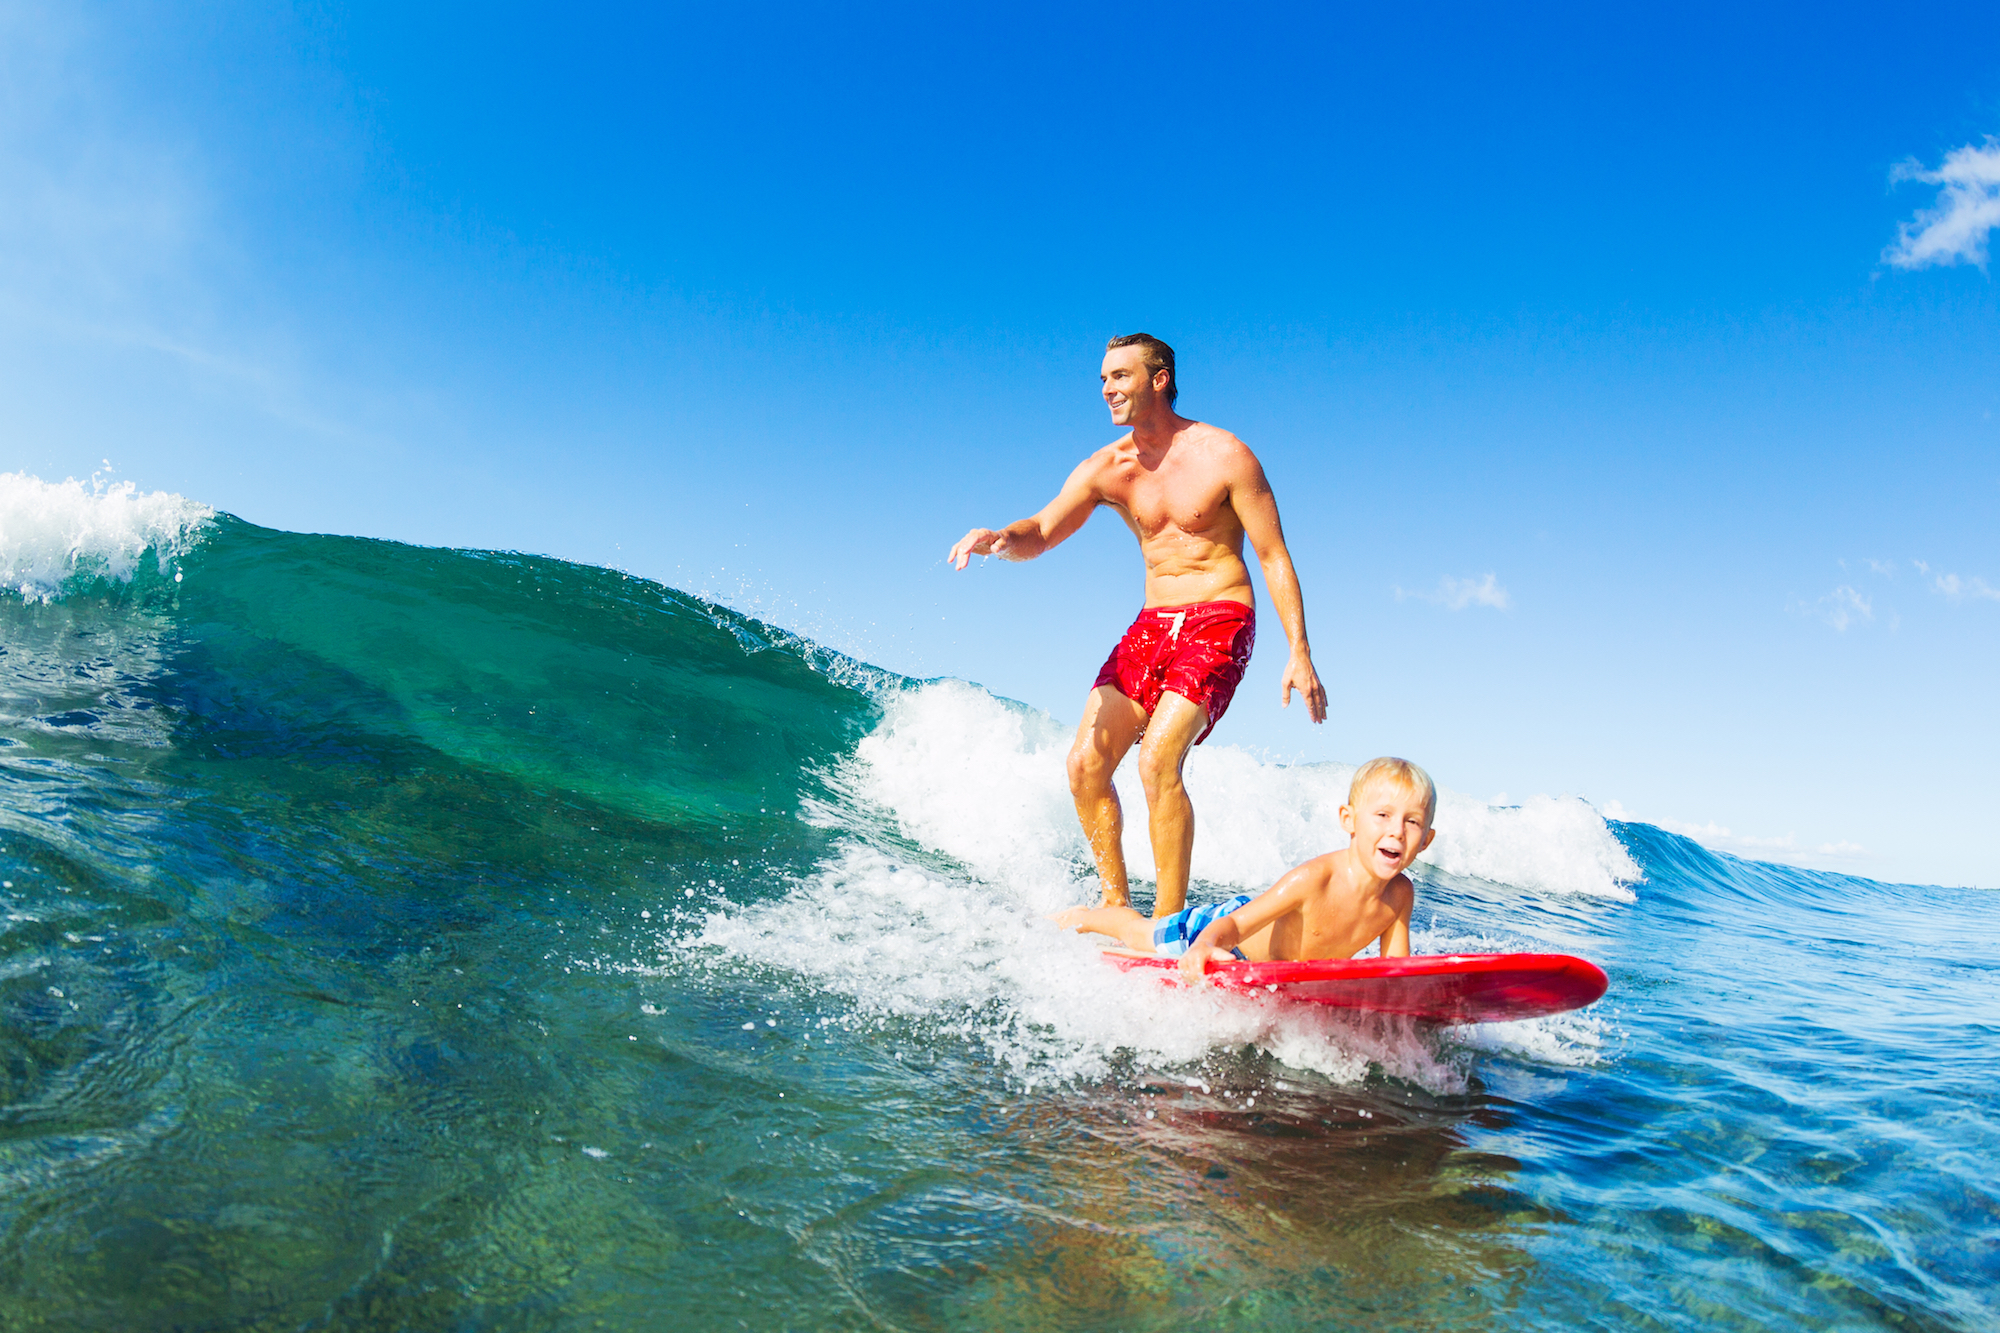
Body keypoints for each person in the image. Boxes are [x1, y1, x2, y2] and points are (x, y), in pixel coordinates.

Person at [948, 333, 1327, 919]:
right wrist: (1001, 539)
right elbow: (1043, 530)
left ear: (1159, 379)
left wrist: (1298, 650)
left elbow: (1274, 554)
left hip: (1220, 616)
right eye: (1102, 379)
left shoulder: (1226, 455)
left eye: (1120, 376)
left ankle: (1167, 923)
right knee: (1085, 765)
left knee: (1156, 760)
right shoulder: (1108, 467)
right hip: (1152, 624)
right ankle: (1115, 905)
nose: (1107, 389)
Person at [1053, 757, 1437, 983]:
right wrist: (1203, 947)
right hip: (1222, 935)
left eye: (1412, 822)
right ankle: (1087, 917)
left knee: (1144, 934)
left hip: (1266, 967)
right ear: (1348, 820)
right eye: (1383, 815)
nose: (1396, 831)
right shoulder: (1315, 879)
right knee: (1139, 934)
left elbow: (1394, 970)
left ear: (1426, 840)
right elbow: (1235, 926)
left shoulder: (1400, 894)